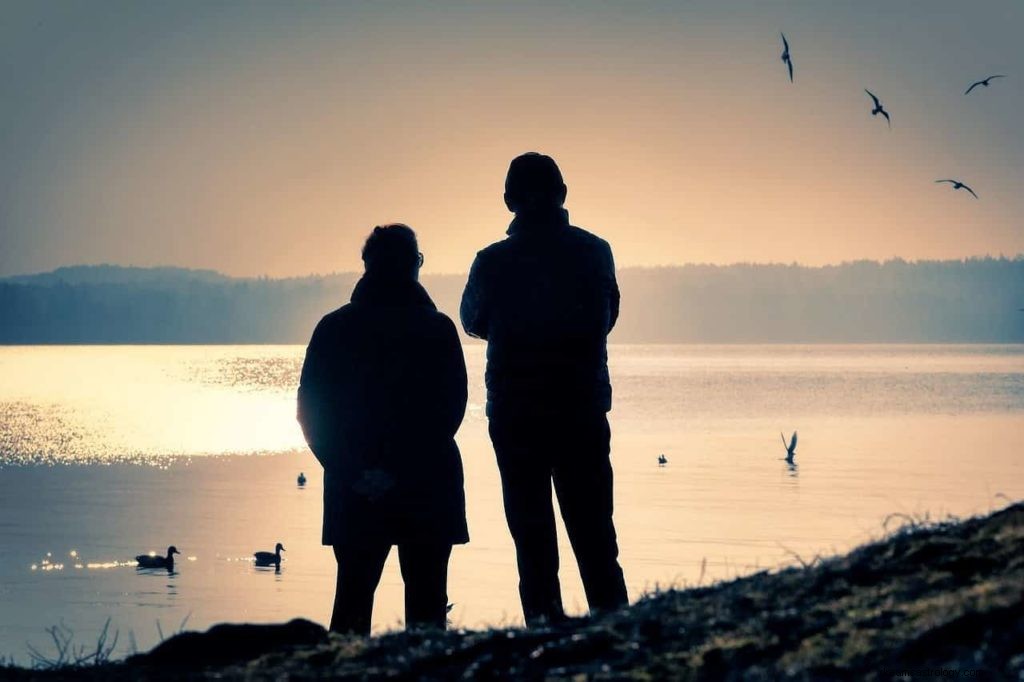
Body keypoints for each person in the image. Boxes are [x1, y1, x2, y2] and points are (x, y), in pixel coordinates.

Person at [460, 152, 628, 625]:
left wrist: (514, 329)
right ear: (563, 195)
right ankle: (617, 635)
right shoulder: (595, 251)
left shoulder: (492, 261)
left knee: (533, 543)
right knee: (596, 536)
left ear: (509, 199)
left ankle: (542, 640)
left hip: (516, 414)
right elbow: (607, 317)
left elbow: (472, 320)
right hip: (582, 408)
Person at [297, 224, 469, 635]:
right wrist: (401, 473)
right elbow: (450, 411)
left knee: (352, 603)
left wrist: (354, 472)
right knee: (428, 608)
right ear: (415, 265)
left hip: (354, 489)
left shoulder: (332, 328)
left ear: (366, 266)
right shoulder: (438, 329)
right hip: (428, 486)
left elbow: (311, 413)